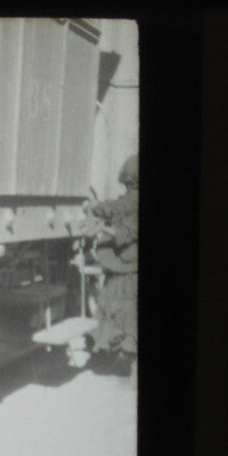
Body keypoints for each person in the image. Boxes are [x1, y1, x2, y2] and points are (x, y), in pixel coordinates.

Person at [87, 154, 138, 378]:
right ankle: (122, 354)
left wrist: (100, 225)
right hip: (125, 265)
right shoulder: (132, 198)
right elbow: (115, 207)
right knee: (123, 308)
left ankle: (124, 359)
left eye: (128, 180)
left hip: (125, 265)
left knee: (122, 308)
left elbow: (127, 232)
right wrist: (97, 207)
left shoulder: (134, 199)